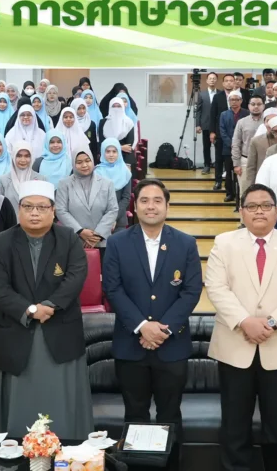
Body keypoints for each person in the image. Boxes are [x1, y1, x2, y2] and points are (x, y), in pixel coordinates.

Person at [205, 183, 277, 470]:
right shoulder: (224, 242)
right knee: (234, 424)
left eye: (266, 205)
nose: (259, 211)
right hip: (235, 346)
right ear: (241, 211)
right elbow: (216, 287)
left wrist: (271, 322)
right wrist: (245, 321)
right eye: (252, 206)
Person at [0, 180, 93, 439]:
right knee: (18, 422)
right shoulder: (0, 243)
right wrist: (31, 309)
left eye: (42, 207)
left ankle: (67, 453)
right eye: (28, 207)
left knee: (63, 414)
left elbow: (76, 276)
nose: (34, 213)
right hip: (16, 334)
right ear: (18, 209)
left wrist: (50, 305)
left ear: (53, 211)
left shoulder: (68, 239)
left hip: (60, 334)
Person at [102, 179, 201, 460]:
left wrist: (163, 330)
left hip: (172, 347)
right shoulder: (117, 242)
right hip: (130, 345)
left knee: (170, 415)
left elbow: (191, 291)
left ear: (167, 206)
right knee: (135, 415)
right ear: (135, 206)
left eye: (158, 200)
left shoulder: (186, 243)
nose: (151, 206)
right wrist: (142, 326)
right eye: (144, 200)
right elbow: (113, 289)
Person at [55, 148, 119, 251]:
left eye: (87, 161)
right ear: (73, 164)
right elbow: (61, 210)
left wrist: (97, 235)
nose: (84, 165)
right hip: (74, 240)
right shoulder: (64, 184)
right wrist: (80, 231)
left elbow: (112, 210)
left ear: (92, 161)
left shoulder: (107, 183)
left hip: (101, 241)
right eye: (79, 162)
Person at [94, 137, 133, 230]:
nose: (111, 155)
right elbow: (95, 197)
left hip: (119, 220)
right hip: (99, 219)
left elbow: (126, 198)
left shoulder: (125, 172)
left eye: (114, 151)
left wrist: (113, 217)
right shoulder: (96, 172)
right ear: (103, 152)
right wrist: (106, 218)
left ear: (119, 152)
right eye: (108, 151)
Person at [232, 94, 267, 195]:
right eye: (253, 104)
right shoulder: (241, 122)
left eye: (259, 104)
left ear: (263, 106)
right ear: (248, 106)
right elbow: (236, 143)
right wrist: (236, 164)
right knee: (245, 191)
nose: (256, 106)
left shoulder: (268, 122)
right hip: (245, 160)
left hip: (264, 160)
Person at [217, 90, 248, 200]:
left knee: (242, 172)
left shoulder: (247, 114)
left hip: (244, 148)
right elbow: (222, 131)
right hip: (228, 148)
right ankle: (230, 193)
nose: (234, 102)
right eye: (232, 100)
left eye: (236, 99)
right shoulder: (224, 114)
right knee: (229, 172)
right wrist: (232, 144)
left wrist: (239, 145)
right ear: (228, 101)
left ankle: (242, 194)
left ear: (241, 101)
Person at [0, 141, 45, 210]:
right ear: (13, 157)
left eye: (27, 156)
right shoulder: (3, 180)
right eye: (19, 156)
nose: (23, 160)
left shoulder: (41, 179)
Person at [98, 97, 138, 169]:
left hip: (125, 155)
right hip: (107, 154)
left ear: (123, 107)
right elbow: (102, 143)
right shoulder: (103, 122)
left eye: (119, 106)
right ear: (110, 107)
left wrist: (112, 147)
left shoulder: (128, 123)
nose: (116, 109)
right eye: (114, 106)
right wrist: (120, 147)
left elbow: (129, 146)